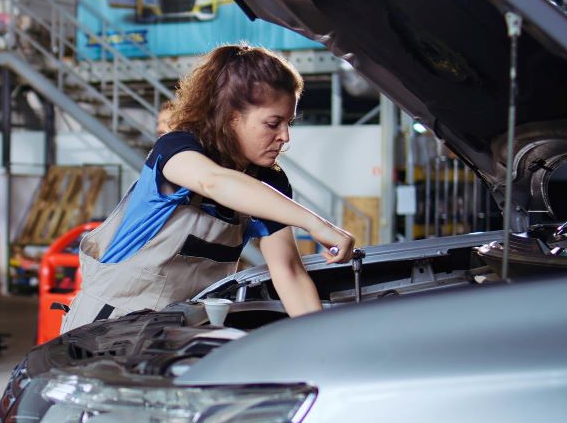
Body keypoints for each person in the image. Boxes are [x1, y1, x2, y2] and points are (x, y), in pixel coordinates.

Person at [60, 43, 356, 333]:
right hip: (106, 327)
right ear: (231, 117)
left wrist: (320, 339)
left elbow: (289, 271)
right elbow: (213, 182)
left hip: (182, 330)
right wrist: (313, 222)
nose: (285, 137)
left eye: (288, 123)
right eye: (273, 123)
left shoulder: (269, 182)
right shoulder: (176, 150)